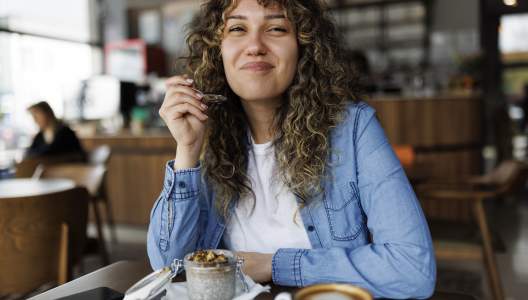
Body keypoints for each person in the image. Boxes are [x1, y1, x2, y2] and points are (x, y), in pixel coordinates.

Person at [147, 0, 436, 298]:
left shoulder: (353, 129)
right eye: (237, 28)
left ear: (304, 46)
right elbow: (169, 267)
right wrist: (187, 149)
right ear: (217, 50)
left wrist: (272, 264)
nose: (255, 46)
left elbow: (413, 269)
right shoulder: (208, 135)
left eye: (275, 28)